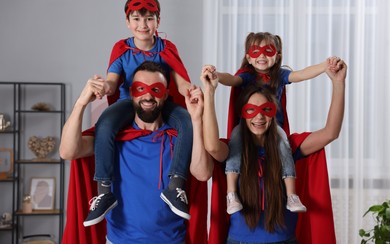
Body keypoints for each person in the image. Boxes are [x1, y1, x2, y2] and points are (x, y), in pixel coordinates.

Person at [59, 61, 213, 243]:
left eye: (156, 90)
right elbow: (68, 152)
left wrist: (196, 120)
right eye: (140, 89)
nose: (148, 96)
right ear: (131, 93)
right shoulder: (112, 138)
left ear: (166, 95)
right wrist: (81, 103)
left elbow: (203, 174)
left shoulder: (179, 138)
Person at [201, 60, 346, 243]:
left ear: (274, 112)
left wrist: (338, 83)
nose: (259, 116)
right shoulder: (233, 150)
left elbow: (330, 132)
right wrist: (210, 92)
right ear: (242, 114)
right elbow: (212, 147)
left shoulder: (289, 146)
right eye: (251, 110)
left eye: (266, 110)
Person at [88, 0, 195, 226]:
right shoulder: (121, 48)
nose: (142, 25)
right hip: (130, 103)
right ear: (128, 22)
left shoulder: (167, 48)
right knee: (104, 125)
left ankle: (175, 185)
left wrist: (193, 90)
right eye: (136, 19)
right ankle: (104, 190)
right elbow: (113, 83)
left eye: (149, 19)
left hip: (161, 102)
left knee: (186, 121)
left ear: (158, 21)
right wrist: (101, 87)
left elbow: (181, 82)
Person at [213, 32, 342, 214]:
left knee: (284, 146)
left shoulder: (280, 76)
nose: (262, 56)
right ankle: (232, 193)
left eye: (268, 50)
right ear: (248, 57)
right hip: (245, 128)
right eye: (256, 52)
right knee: (235, 143)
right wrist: (216, 75)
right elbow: (232, 79)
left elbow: (301, 74)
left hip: (274, 128)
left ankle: (291, 194)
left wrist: (324, 65)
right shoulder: (247, 76)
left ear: (277, 56)